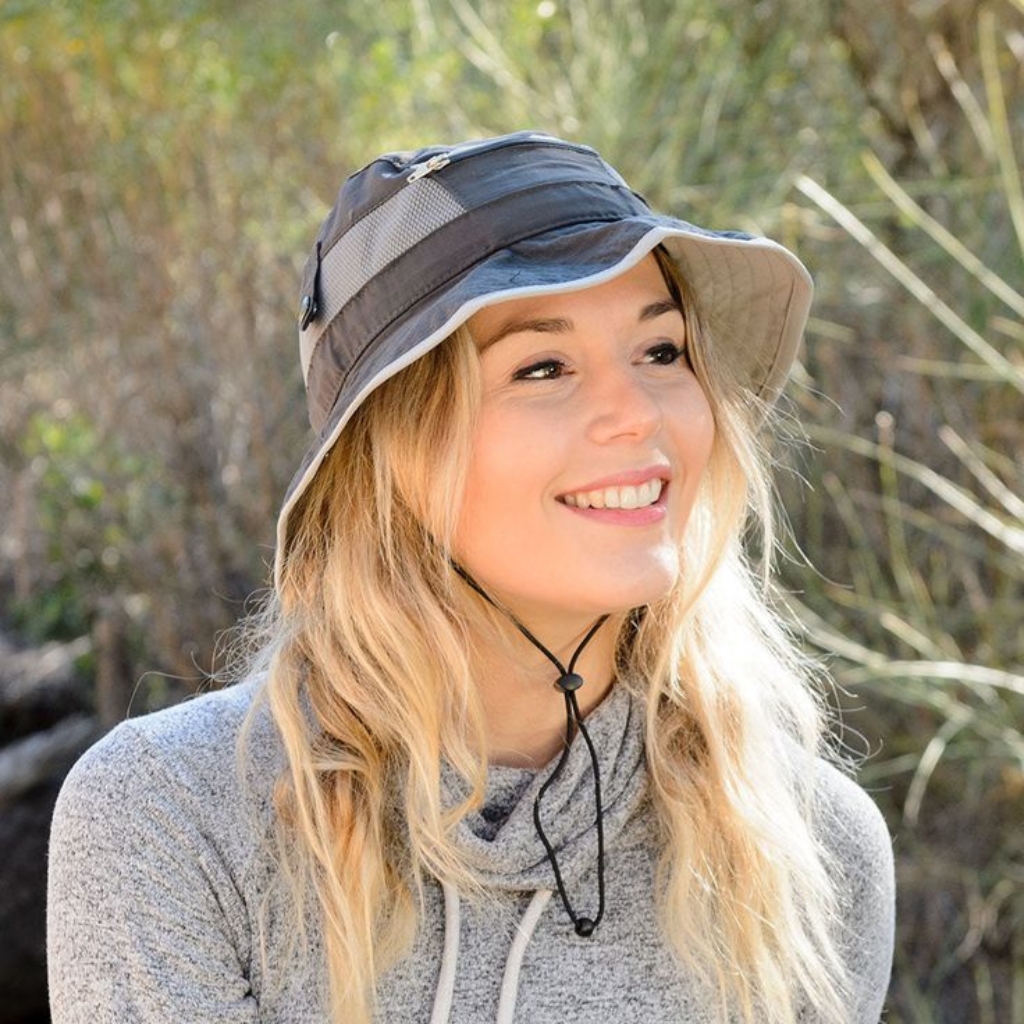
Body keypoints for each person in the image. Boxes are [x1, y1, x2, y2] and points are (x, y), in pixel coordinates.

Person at [47, 131, 895, 1024]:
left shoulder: (808, 851)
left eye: (663, 352)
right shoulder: (176, 821)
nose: (638, 414)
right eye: (543, 367)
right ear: (390, 458)